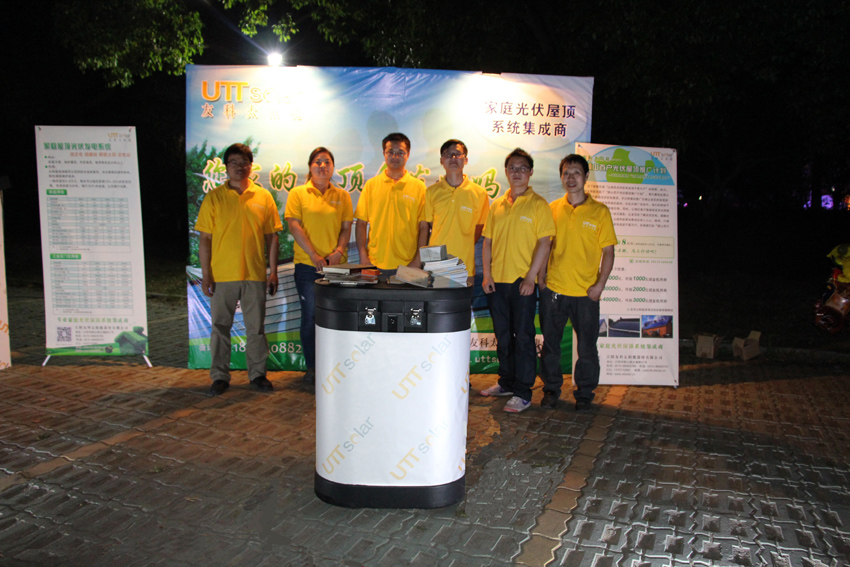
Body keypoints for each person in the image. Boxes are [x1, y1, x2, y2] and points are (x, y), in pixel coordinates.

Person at [195, 143, 282, 396]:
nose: (239, 167)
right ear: (226, 167)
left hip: (255, 274)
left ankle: (257, 374)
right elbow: (205, 239)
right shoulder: (214, 197)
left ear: (251, 166)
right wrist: (206, 275)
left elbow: (272, 238)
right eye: (233, 162)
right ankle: (219, 377)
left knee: (256, 329)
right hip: (222, 275)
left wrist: (273, 272)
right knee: (220, 328)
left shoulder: (263, 197)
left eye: (244, 163)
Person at [538, 154, 616, 411]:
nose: (571, 178)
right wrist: (541, 277)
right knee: (550, 345)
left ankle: (584, 393)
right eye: (566, 173)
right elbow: (546, 245)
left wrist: (600, 285)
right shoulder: (553, 208)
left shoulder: (600, 211)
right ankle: (551, 390)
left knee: (587, 347)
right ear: (561, 177)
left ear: (586, 177)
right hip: (554, 291)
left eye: (576, 173)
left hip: (586, 293)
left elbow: (608, 252)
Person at [479, 148, 555, 413]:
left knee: (523, 337)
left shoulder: (539, 204)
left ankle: (523, 392)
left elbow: (545, 243)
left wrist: (531, 278)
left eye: (523, 168)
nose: (517, 172)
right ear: (506, 171)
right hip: (496, 283)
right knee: (503, 336)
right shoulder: (497, 205)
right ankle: (507, 382)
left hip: (522, 282)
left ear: (530, 172)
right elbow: (487, 242)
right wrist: (487, 275)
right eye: (512, 167)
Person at [284, 147, 353, 388]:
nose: (322, 166)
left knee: (337, 317)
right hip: (307, 267)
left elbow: (346, 228)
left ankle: (337, 367)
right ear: (310, 166)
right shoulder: (298, 193)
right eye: (317, 161)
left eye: (326, 162)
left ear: (332, 167)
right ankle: (313, 368)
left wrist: (338, 252)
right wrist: (314, 255)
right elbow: (294, 226)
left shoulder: (342, 196)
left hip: (337, 267)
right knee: (311, 317)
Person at [355, 132, 428, 273]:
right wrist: (363, 256)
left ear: (408, 154)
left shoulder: (419, 187)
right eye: (390, 152)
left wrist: (417, 260)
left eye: (400, 153)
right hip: (374, 263)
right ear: (384, 153)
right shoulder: (371, 185)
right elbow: (361, 223)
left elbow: (424, 227)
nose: (395, 157)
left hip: (408, 264)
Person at [425, 139, 490, 282]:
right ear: (441, 160)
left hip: (464, 264)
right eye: (448, 155)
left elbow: (479, 228)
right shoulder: (431, 191)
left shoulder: (479, 193)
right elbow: (430, 225)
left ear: (466, 160)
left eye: (458, 154)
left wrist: (463, 244)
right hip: (435, 263)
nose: (453, 158)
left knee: (463, 297)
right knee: (434, 297)